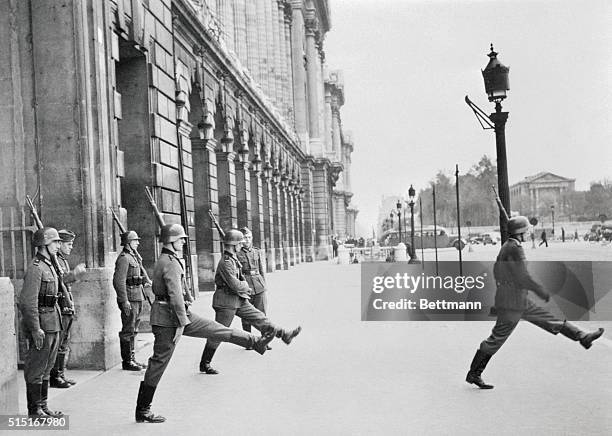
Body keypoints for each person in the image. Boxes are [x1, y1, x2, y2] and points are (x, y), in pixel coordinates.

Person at [135, 224, 275, 423]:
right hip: (169, 320)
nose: (184, 241)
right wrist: (182, 323)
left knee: (217, 330)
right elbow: (173, 295)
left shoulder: (170, 259)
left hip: (178, 313)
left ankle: (254, 341)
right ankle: (143, 409)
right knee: (159, 362)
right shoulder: (170, 262)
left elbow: (177, 293)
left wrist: (186, 301)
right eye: (181, 239)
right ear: (171, 241)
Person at [465, 216, 605, 390]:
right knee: (496, 339)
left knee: (551, 319)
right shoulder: (515, 249)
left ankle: (582, 337)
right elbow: (523, 276)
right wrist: (540, 290)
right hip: (512, 302)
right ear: (520, 232)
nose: (528, 233)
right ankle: (474, 373)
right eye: (526, 230)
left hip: (516, 298)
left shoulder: (508, 246)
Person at [199, 229, 301, 375]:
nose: (242, 245)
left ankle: (284, 334)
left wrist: (244, 287)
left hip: (238, 299)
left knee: (260, 318)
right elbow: (235, 284)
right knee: (218, 333)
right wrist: (246, 286)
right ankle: (205, 363)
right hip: (226, 302)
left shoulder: (232, 258)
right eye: (240, 243)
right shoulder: (226, 262)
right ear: (233, 245)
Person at [19, 227, 64, 417]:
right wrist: (35, 328)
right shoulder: (36, 268)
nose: (58, 245)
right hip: (43, 325)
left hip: (53, 321)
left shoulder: (50, 265)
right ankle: (34, 410)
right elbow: (27, 302)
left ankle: (43, 405)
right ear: (44, 243)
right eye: (55, 242)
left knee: (47, 366)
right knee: (36, 367)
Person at [49, 229, 86, 388]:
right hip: (60, 305)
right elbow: (61, 281)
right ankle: (55, 376)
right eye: (68, 244)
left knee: (64, 342)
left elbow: (66, 282)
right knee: (58, 343)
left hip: (66, 305)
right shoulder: (55, 260)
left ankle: (60, 374)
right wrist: (75, 273)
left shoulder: (62, 260)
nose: (70, 247)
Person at [113, 230, 149, 371]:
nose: (138, 243)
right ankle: (127, 361)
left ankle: (132, 358)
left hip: (138, 296)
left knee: (134, 329)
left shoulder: (133, 257)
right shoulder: (124, 258)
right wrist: (124, 300)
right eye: (135, 241)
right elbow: (119, 281)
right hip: (130, 299)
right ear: (128, 243)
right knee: (128, 330)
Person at [236, 227, 269, 349]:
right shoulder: (237, 253)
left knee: (262, 313)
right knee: (247, 316)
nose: (247, 240)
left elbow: (261, 269)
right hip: (246, 286)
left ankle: (264, 341)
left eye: (249, 237)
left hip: (259, 285)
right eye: (245, 238)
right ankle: (249, 342)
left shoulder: (256, 251)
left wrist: (264, 284)